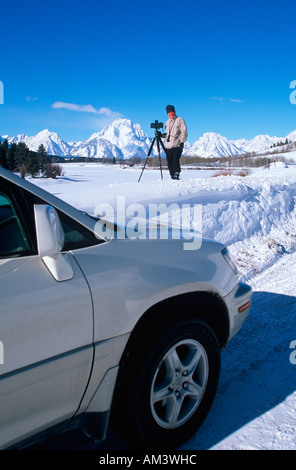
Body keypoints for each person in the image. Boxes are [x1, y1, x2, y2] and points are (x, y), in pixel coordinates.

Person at [163, 105, 188, 180]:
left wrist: (182, 143)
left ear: (174, 111)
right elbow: (167, 135)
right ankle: (172, 177)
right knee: (169, 164)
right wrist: (160, 135)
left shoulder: (180, 120)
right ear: (167, 114)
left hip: (177, 145)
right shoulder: (167, 123)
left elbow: (184, 132)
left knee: (175, 162)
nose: (171, 114)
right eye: (169, 113)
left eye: (172, 112)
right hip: (168, 146)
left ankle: (176, 175)